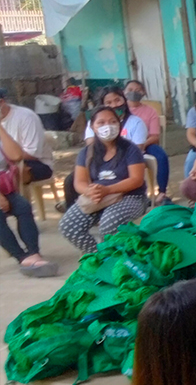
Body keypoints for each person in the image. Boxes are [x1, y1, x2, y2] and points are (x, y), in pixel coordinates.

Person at [60, 107, 149, 253]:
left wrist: (108, 190)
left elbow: (136, 180)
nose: (107, 126)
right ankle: (98, 255)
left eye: (112, 121)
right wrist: (89, 191)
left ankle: (114, 256)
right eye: (101, 123)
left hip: (130, 197)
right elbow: (79, 182)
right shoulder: (86, 152)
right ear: (92, 127)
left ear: (119, 124)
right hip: (98, 197)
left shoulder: (130, 149)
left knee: (109, 224)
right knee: (69, 226)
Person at [0, 128, 56, 277]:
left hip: (5, 189)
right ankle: (21, 257)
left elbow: (16, 155)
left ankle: (33, 253)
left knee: (23, 206)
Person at [120, 79, 171, 204]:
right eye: (130, 90)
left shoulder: (150, 111)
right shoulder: (118, 111)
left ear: (143, 93)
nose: (134, 93)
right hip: (121, 145)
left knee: (161, 156)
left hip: (146, 144)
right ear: (123, 92)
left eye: (138, 90)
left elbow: (154, 136)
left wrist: (141, 145)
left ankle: (162, 193)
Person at [0, 87, 55, 185]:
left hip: (36, 162)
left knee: (12, 175)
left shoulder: (26, 117)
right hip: (4, 163)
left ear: (1, 102)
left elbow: (32, 154)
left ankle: (16, 199)